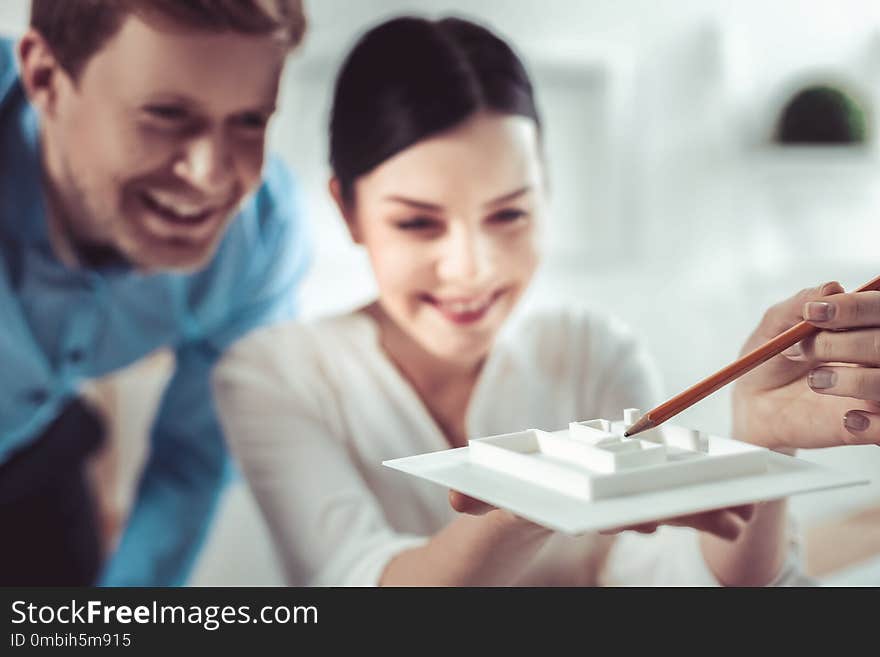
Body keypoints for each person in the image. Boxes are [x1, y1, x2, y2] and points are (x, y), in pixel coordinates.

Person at [212, 16, 851, 586]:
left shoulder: (589, 349)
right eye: (418, 224)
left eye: (509, 214)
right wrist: (537, 498)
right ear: (347, 210)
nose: (470, 269)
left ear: (545, 193)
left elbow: (662, 578)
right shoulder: (273, 373)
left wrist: (764, 450)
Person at [0, 0, 310, 585]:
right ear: (45, 79)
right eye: (166, 113)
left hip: (40, 454)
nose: (212, 175)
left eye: (249, 120)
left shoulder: (262, 238)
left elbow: (193, 458)